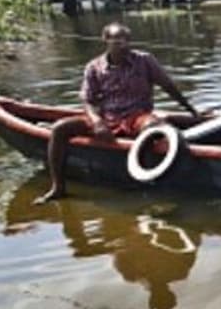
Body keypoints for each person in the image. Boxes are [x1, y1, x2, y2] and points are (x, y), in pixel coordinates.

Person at [36, 22, 198, 203]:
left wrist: (191, 110)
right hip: (108, 117)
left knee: (153, 127)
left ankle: (148, 179)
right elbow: (88, 101)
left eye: (125, 40)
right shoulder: (94, 67)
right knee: (59, 128)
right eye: (116, 40)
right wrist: (97, 122)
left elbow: (168, 86)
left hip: (137, 115)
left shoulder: (144, 60)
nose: (122, 45)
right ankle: (58, 187)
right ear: (106, 40)